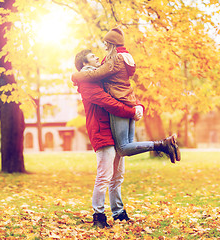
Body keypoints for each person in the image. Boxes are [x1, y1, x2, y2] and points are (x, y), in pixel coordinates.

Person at [73, 49, 179, 229]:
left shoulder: (99, 78)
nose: (97, 57)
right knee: (104, 176)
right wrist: (131, 112)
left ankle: (119, 213)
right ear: (84, 63)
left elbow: (120, 92)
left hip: (113, 130)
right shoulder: (87, 83)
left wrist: (137, 106)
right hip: (101, 132)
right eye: (92, 56)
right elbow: (108, 101)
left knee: (117, 176)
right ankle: (98, 215)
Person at [72, 27, 181, 163]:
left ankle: (162, 145)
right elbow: (126, 85)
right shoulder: (124, 58)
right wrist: (137, 106)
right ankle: (164, 145)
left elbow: (96, 74)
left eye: (106, 43)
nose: (104, 47)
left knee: (123, 148)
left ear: (112, 44)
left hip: (120, 106)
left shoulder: (114, 59)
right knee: (127, 146)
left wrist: (76, 75)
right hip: (128, 103)